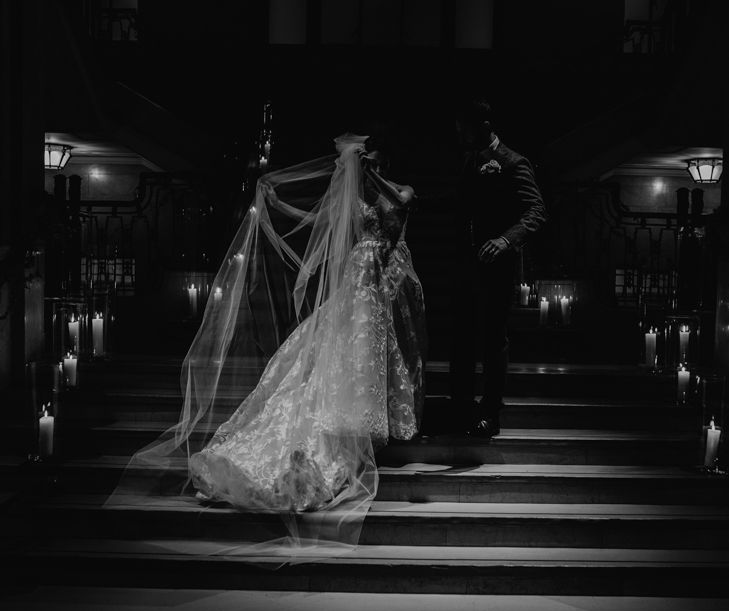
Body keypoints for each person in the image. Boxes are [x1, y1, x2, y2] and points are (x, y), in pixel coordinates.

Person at [108, 134, 425, 551]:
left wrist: (369, 171)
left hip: (388, 279)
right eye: (368, 163)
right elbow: (319, 221)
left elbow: (400, 206)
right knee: (337, 354)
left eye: (378, 162)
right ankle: (341, 433)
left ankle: (377, 426)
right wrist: (273, 201)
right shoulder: (355, 197)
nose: (371, 169)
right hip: (358, 278)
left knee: (382, 352)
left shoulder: (399, 189)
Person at [451, 100, 546, 437]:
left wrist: (506, 240)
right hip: (465, 264)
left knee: (493, 340)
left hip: (497, 268)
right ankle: (460, 407)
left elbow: (535, 211)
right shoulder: (468, 161)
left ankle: (490, 412)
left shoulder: (512, 161)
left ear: (483, 125)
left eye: (464, 126)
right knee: (461, 338)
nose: (459, 132)